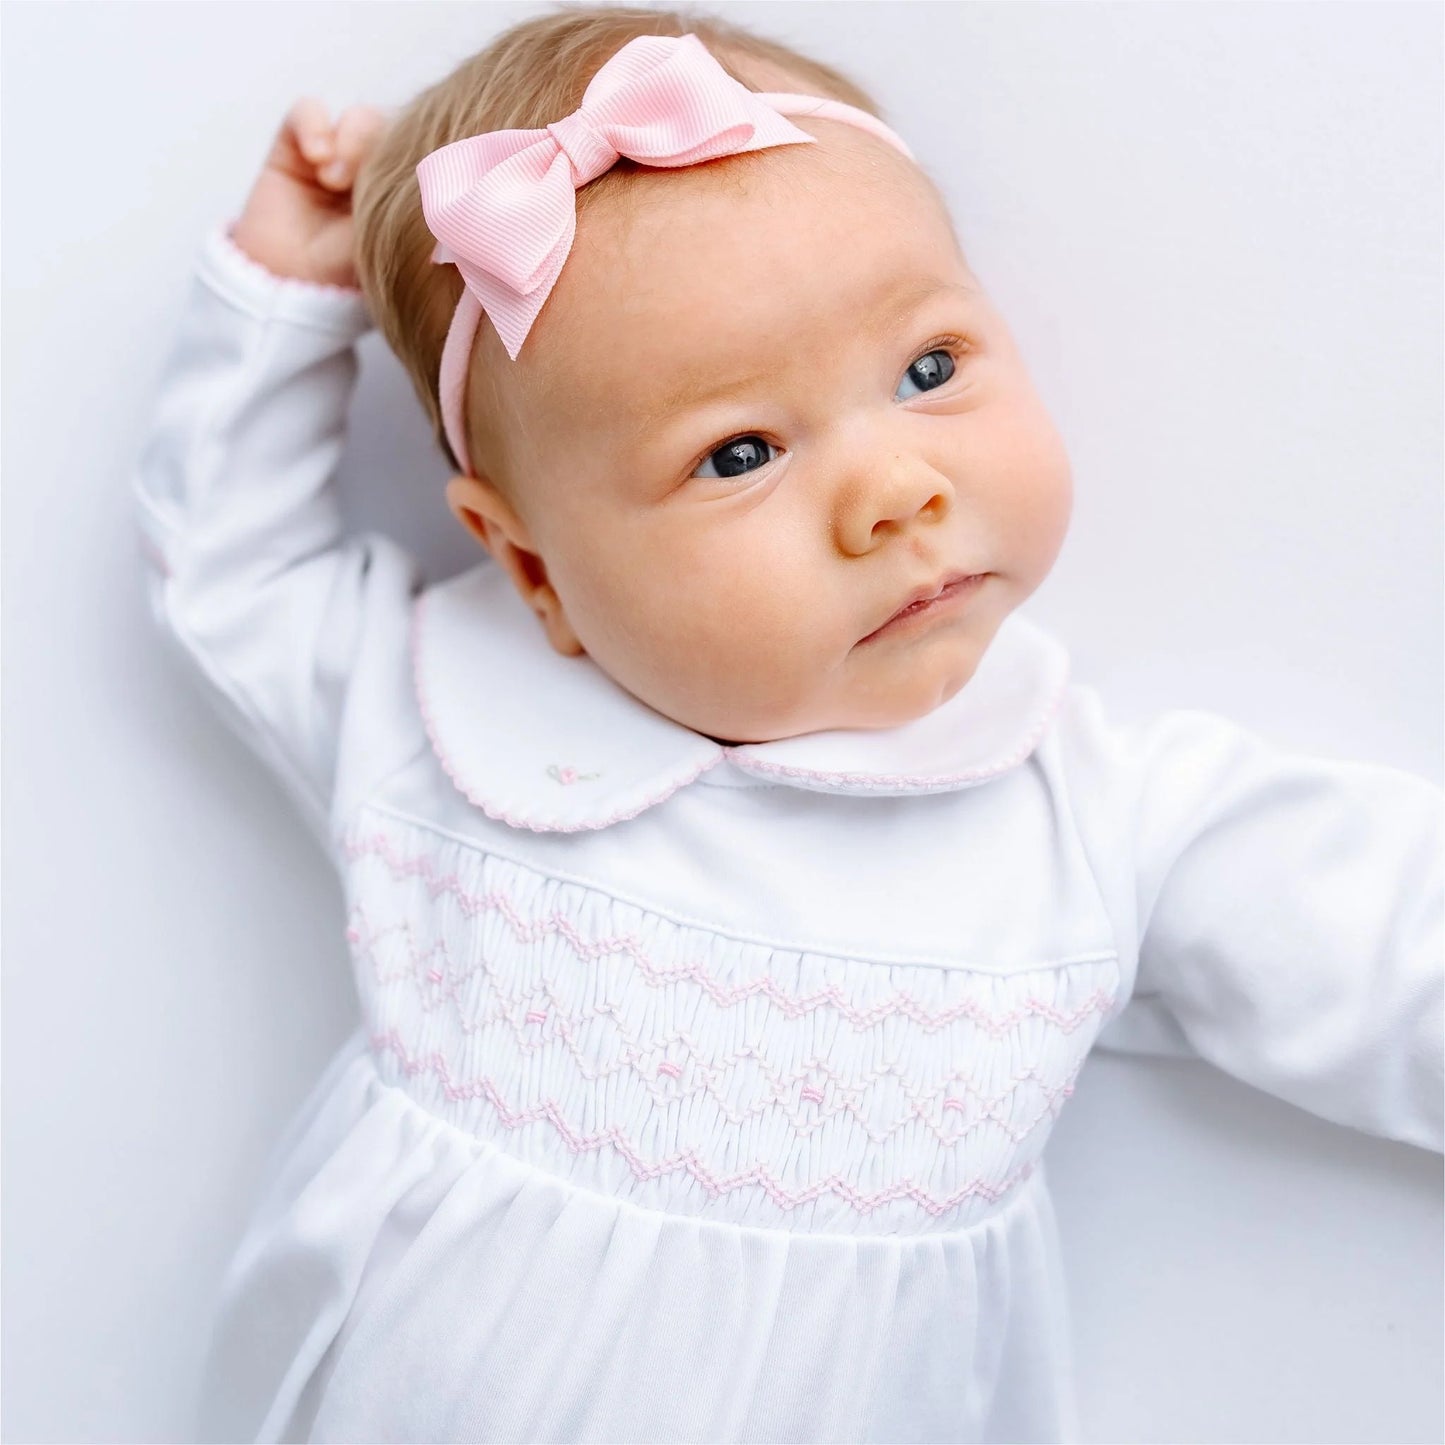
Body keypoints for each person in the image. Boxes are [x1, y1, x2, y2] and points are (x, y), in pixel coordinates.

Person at [132, 6, 1443, 1441]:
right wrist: (279, 306)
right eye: (738, 453)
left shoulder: (1083, 811)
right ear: (528, 569)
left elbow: (1380, 942)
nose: (893, 487)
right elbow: (230, 572)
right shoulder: (434, 714)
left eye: (927, 368)